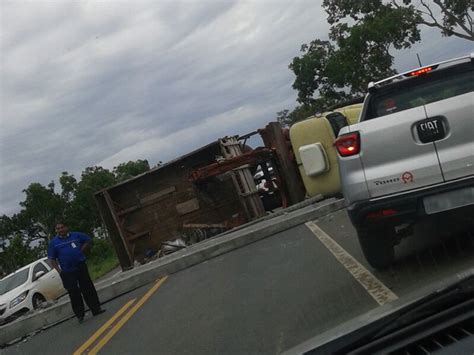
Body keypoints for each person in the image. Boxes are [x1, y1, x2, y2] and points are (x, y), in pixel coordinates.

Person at [48, 223, 105, 323]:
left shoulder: (76, 235)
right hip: (67, 271)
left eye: (62, 227)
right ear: (56, 230)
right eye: (58, 229)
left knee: (88, 288)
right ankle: (80, 315)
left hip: (80, 266)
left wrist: (81, 250)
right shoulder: (54, 243)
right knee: (73, 293)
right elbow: (52, 259)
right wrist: (59, 271)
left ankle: (96, 309)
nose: (61, 230)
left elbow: (87, 240)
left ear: (66, 227)